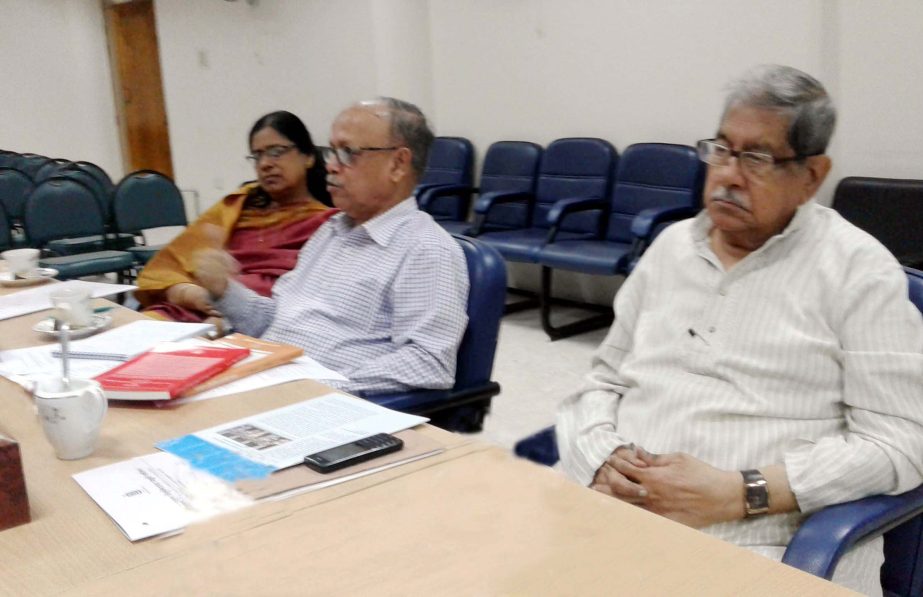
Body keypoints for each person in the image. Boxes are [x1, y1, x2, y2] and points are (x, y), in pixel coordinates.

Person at [556, 65, 923, 595]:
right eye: (722, 150)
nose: (727, 174)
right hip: (607, 510)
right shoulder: (670, 247)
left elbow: (903, 443)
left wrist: (742, 491)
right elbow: (602, 382)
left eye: (756, 158)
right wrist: (600, 459)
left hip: (746, 542)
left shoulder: (859, 273)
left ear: (811, 176)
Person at [192, 97, 469, 394]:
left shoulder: (425, 249)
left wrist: (324, 385)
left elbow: (429, 362)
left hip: (318, 402)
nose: (331, 167)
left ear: (398, 164)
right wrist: (224, 289)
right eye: (331, 153)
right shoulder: (331, 232)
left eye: (348, 153)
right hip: (267, 380)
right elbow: (281, 321)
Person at [134, 111, 337, 327]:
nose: (265, 164)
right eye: (257, 156)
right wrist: (192, 295)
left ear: (308, 157)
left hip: (260, 320)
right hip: (197, 307)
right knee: (129, 331)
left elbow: (307, 297)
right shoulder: (236, 206)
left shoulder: (328, 223)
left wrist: (226, 307)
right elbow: (166, 271)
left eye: (277, 152)